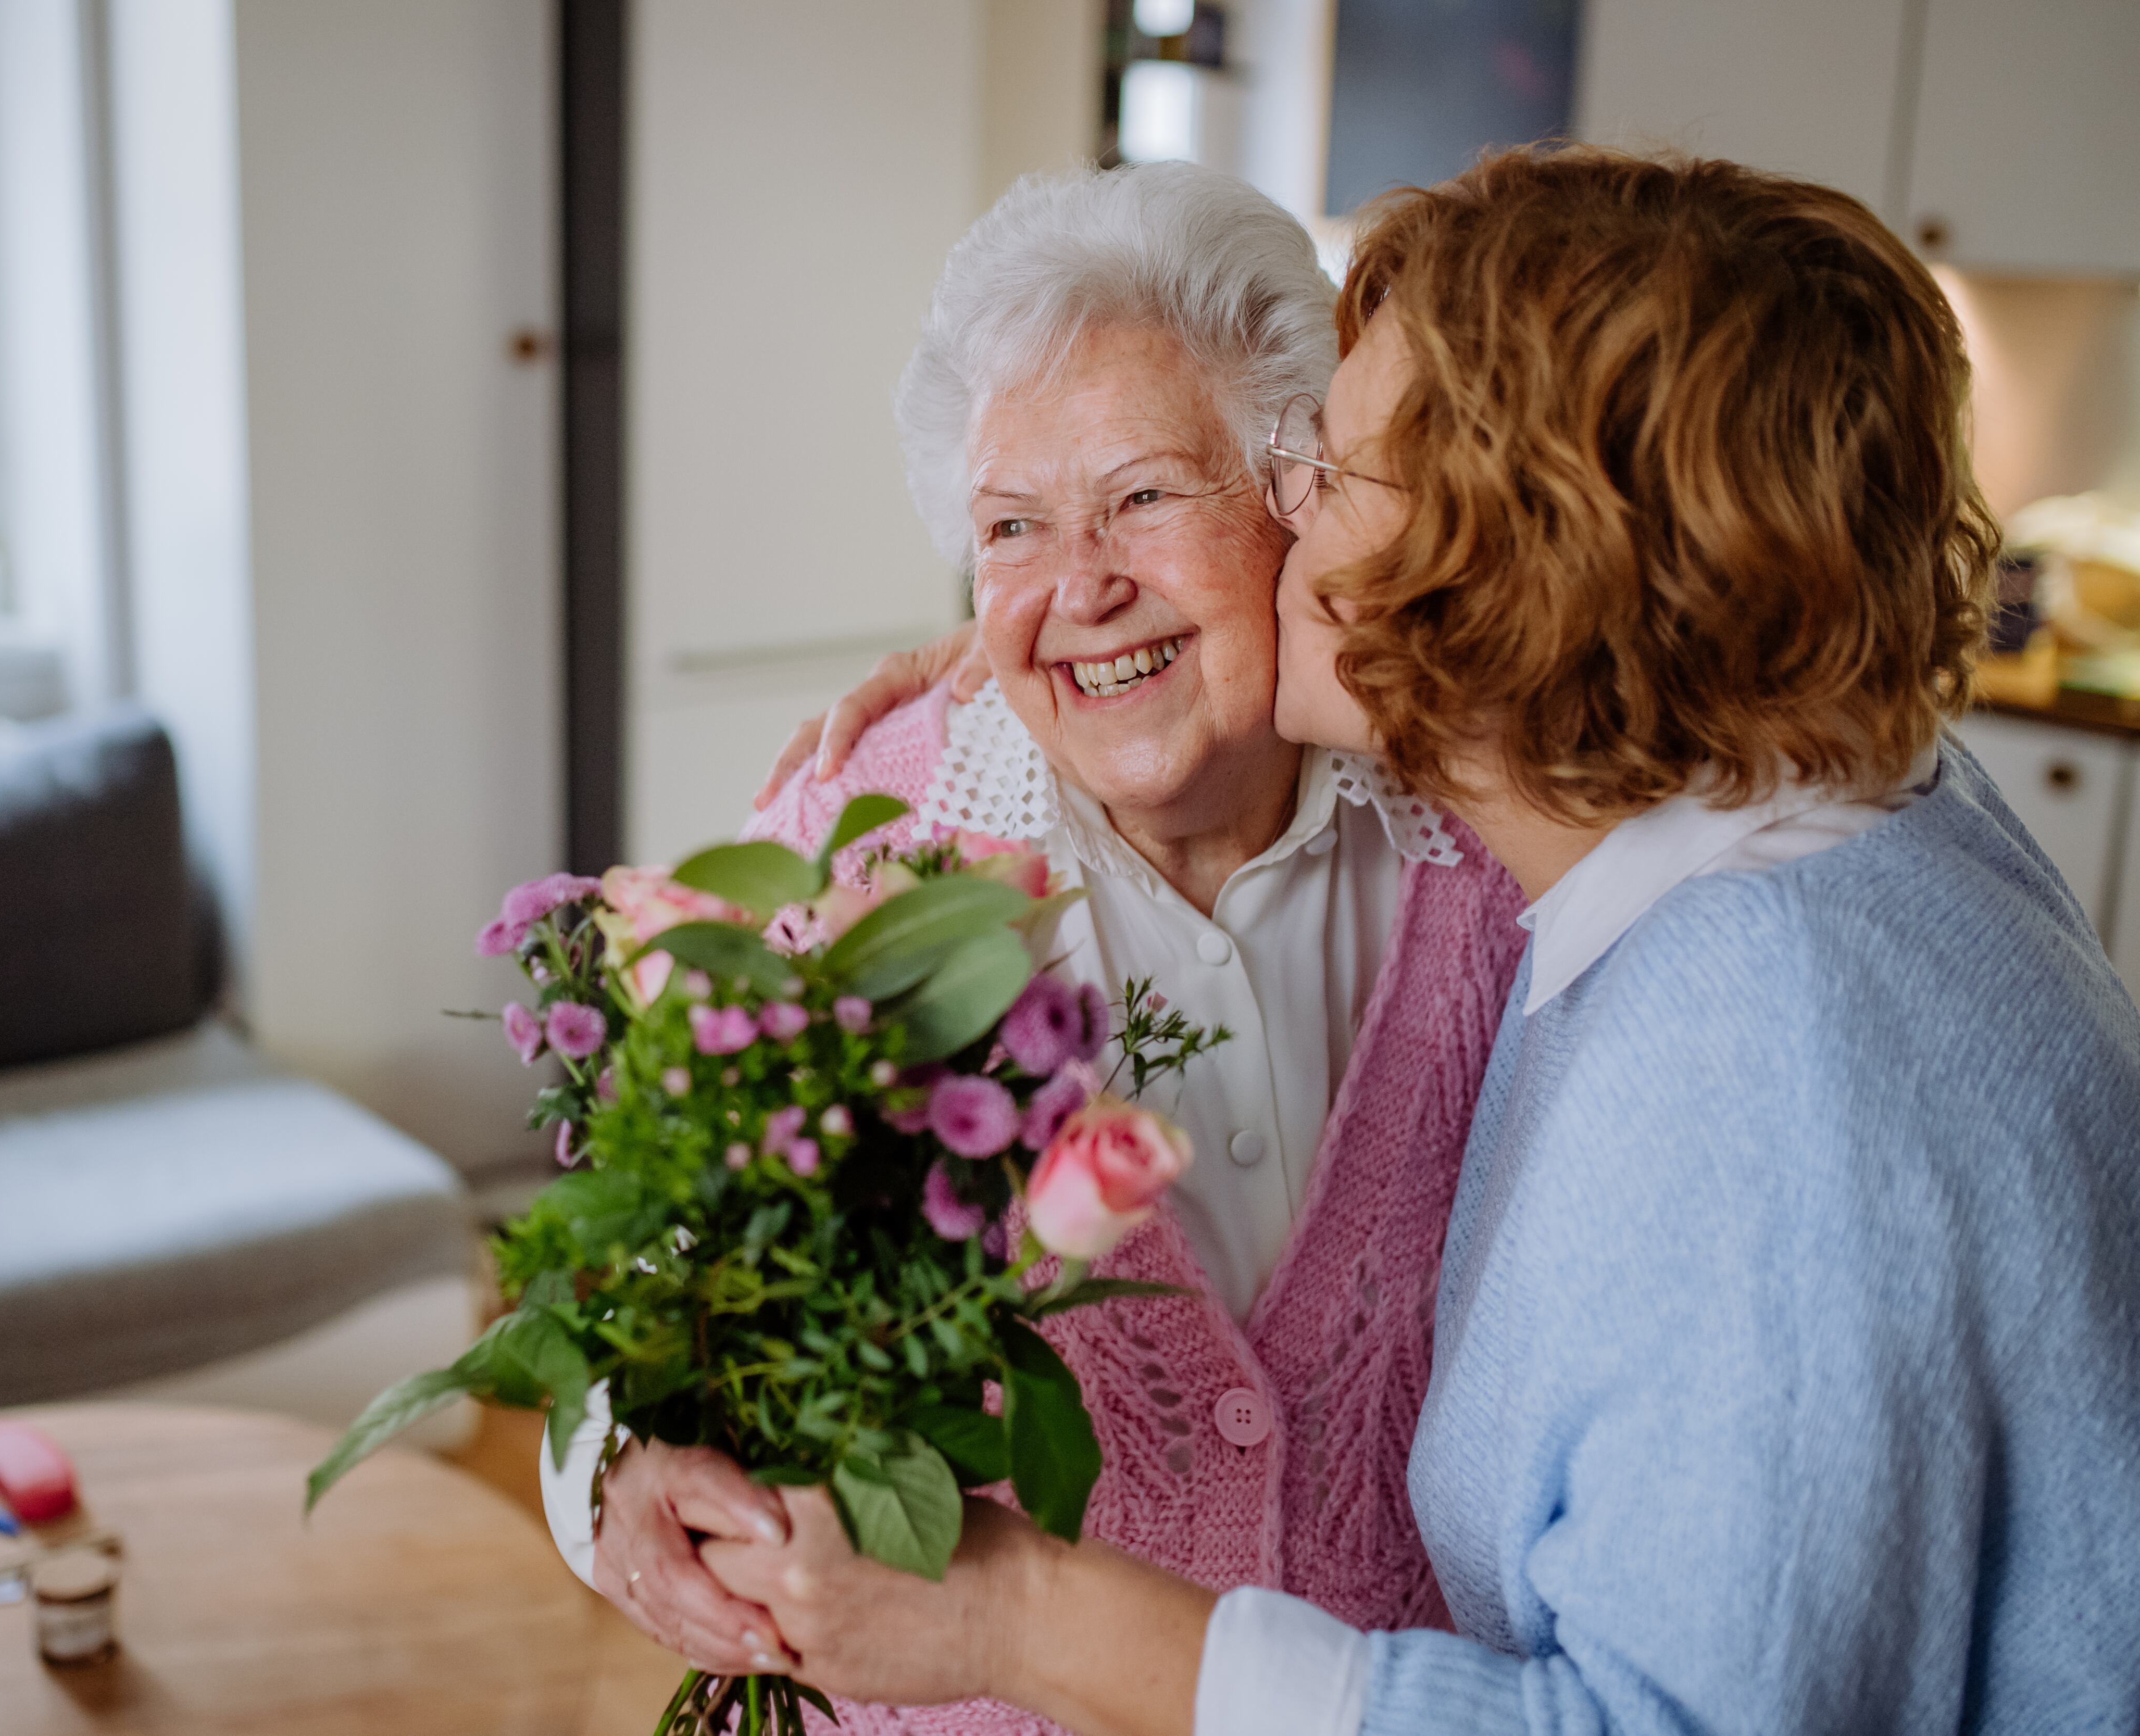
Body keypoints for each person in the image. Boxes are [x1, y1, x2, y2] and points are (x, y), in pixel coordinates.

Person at [694, 147, 2140, 1734]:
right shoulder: (1866, 804)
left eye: (1328, 474)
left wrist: (1026, 1615)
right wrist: (1058, 591)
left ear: (1533, 560)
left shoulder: (1766, 1050)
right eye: (1011, 526)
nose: (1292, 516)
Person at [544, 162, 1529, 1729]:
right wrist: (613, 1482)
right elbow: (635, 1303)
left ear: (1305, 494)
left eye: (1143, 496)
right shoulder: (861, 834)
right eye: (1012, 527)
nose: (1079, 587)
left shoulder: (1490, 821)